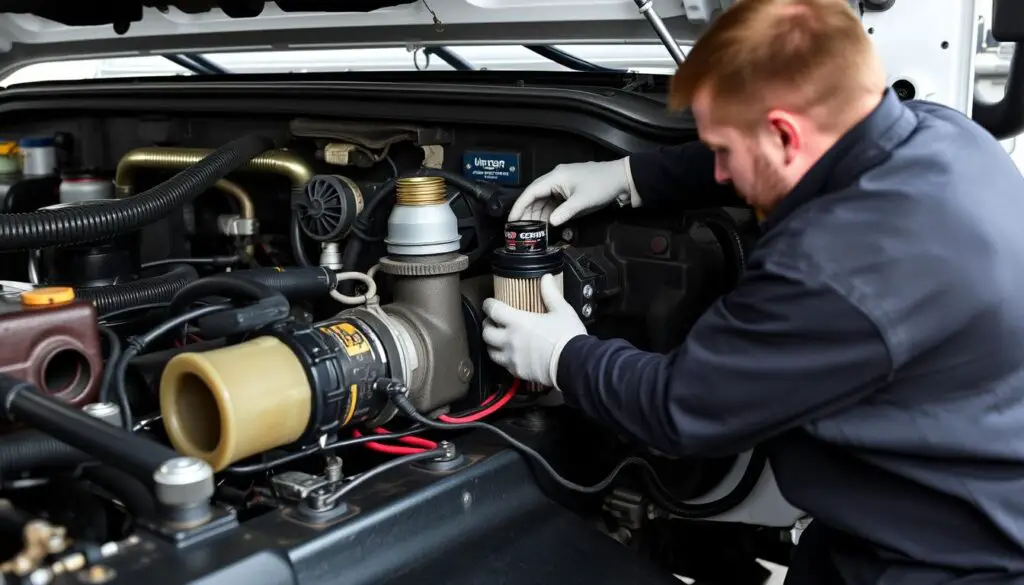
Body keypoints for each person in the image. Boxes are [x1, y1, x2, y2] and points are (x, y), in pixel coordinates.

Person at [479, 0, 1024, 583]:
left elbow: (681, 408)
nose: (717, 173)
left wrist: (561, 355)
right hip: (913, 503)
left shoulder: (837, 266)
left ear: (784, 134)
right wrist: (628, 178)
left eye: (723, 152)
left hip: (941, 563)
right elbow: (758, 152)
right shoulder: (943, 135)